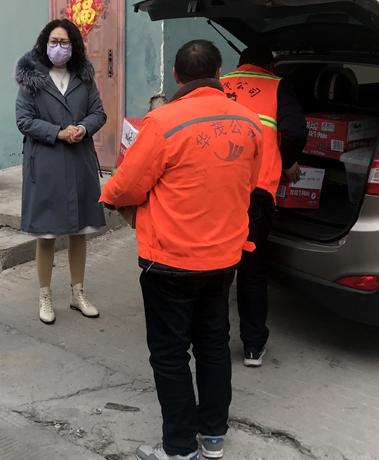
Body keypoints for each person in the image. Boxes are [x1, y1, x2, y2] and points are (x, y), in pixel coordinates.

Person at [101, 40, 263, 460]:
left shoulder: (162, 122)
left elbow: (128, 185)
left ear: (176, 76)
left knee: (170, 354)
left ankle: (178, 448)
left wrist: (108, 196)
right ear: (219, 73)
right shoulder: (249, 122)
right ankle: (213, 436)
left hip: (170, 261)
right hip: (224, 258)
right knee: (213, 345)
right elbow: (248, 183)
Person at [14, 18, 106, 324]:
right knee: (47, 233)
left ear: (74, 46)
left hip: (79, 162)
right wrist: (57, 132)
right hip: (47, 164)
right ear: (44, 44)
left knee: (79, 232)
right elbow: (24, 120)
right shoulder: (33, 79)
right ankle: (45, 295)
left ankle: (78, 293)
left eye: (64, 42)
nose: (58, 47)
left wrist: (83, 127)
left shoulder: (84, 77)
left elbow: (98, 112)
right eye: (53, 41)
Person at [220, 46, 307, 367]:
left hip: (214, 186)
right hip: (255, 190)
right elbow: (295, 131)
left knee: (216, 266)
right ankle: (253, 347)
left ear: (240, 64)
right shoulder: (278, 85)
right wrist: (286, 160)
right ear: (270, 65)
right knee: (251, 269)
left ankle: (214, 342)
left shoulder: (219, 83)